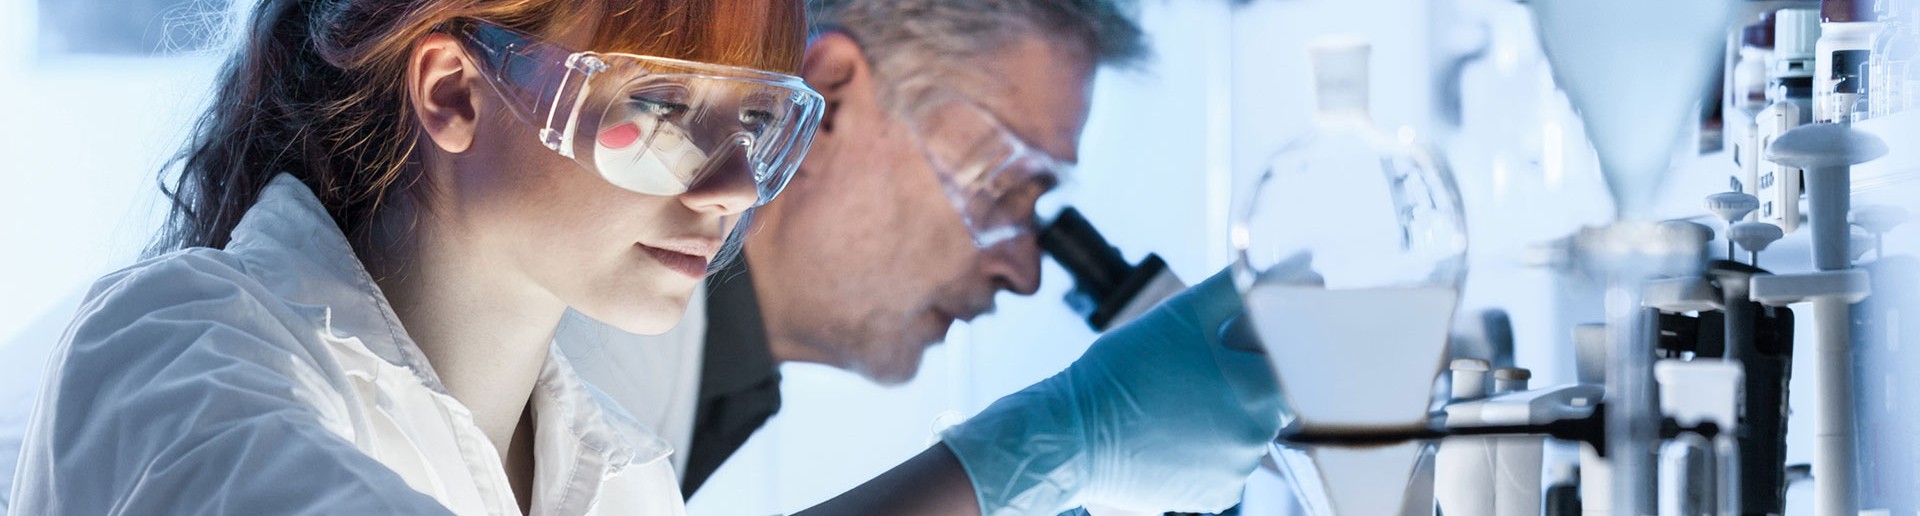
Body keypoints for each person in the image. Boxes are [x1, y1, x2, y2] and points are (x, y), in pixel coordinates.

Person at [556, 0, 1288, 514]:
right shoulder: (591, 319)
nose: (1024, 272)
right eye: (1003, 185)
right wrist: (1049, 448)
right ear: (830, 96)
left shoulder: (701, 377)